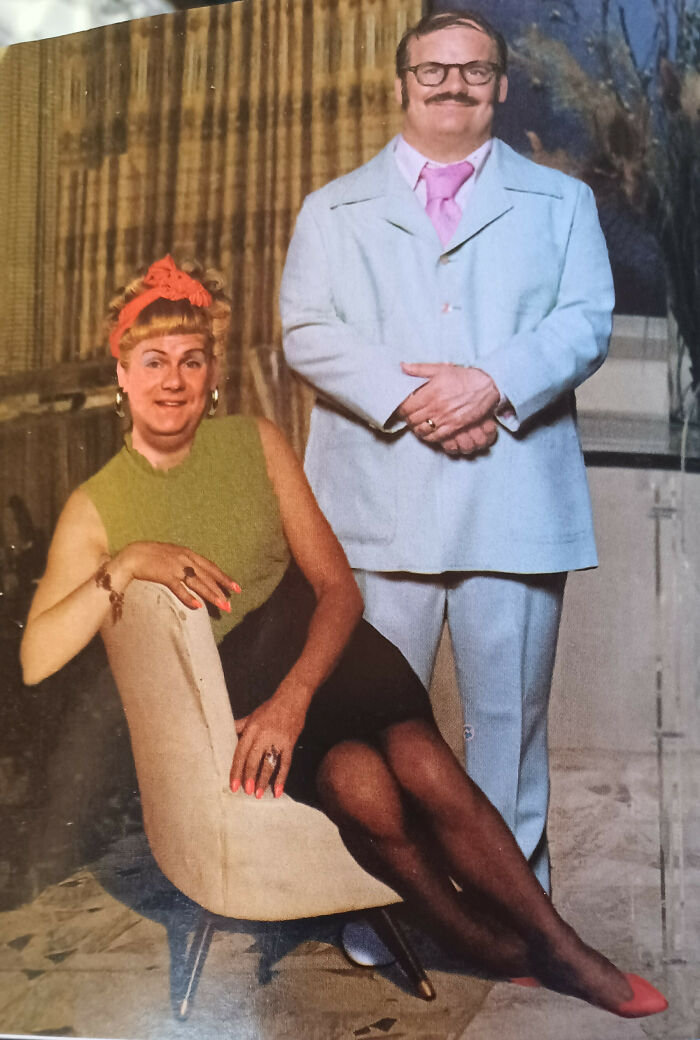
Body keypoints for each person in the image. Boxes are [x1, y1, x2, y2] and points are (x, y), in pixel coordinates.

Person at [19, 255, 665, 1019]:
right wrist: (123, 564)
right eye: (152, 362)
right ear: (121, 374)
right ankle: (483, 944)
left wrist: (295, 699)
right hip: (243, 692)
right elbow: (36, 660)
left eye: (192, 361)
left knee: (419, 759)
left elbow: (337, 588)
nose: (173, 381)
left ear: (213, 370)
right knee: (357, 781)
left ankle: (559, 946)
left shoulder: (254, 441)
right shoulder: (97, 506)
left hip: (332, 663)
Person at [280, 8, 615, 893]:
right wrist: (421, 397)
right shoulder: (333, 208)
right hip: (375, 508)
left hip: (513, 502)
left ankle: (513, 904)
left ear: (501, 86)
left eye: (475, 70)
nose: (454, 85)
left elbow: (584, 324)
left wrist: (490, 384)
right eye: (434, 70)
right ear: (401, 84)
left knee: (508, 721)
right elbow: (307, 332)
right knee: (377, 723)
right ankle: (386, 901)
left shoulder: (562, 202)